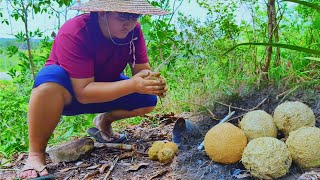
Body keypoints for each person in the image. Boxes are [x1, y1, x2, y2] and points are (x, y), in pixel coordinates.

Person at [19, 0, 168, 179]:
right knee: (48, 83)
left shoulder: (133, 32)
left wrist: (152, 82)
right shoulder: (75, 32)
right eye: (122, 16)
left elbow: (142, 71)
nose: (128, 23)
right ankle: (35, 154)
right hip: (68, 92)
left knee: (147, 99)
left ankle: (103, 122)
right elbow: (83, 93)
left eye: (134, 17)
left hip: (107, 85)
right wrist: (132, 84)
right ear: (101, 12)